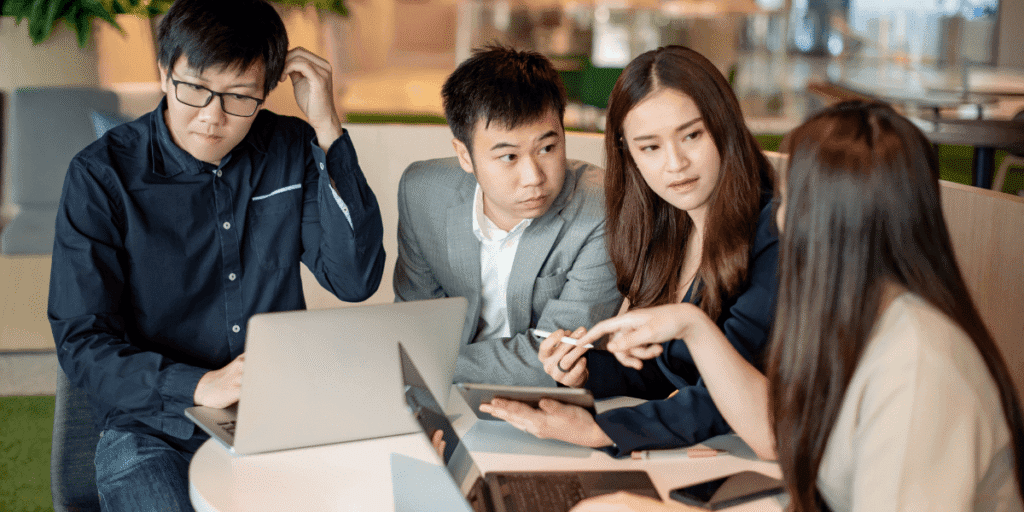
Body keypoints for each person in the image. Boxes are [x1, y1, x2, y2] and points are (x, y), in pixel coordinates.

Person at [569, 101, 1024, 511]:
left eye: (787, 200)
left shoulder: (920, 368)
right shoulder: (859, 327)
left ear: (829, 221)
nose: (777, 218)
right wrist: (690, 324)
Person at [47, 0, 386, 509]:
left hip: (274, 419)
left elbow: (355, 279)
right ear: (164, 73)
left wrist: (327, 126)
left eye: (239, 97)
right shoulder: (101, 176)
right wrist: (199, 385)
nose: (212, 117)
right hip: (151, 431)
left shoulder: (290, 147)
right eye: (195, 89)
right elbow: (81, 341)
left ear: (266, 91)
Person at [480, 45, 778, 455]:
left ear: (725, 127)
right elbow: (666, 371)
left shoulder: (774, 233)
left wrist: (601, 431)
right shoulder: (672, 228)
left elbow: (725, 393)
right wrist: (586, 370)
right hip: (703, 455)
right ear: (630, 155)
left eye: (692, 135)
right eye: (650, 147)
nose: (675, 163)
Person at [393, 45, 622, 386]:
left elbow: (557, 355)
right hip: (440, 395)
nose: (534, 177)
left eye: (547, 148)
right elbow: (417, 321)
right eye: (508, 157)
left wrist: (424, 366)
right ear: (465, 156)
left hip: (552, 401)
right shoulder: (422, 193)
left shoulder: (602, 208)